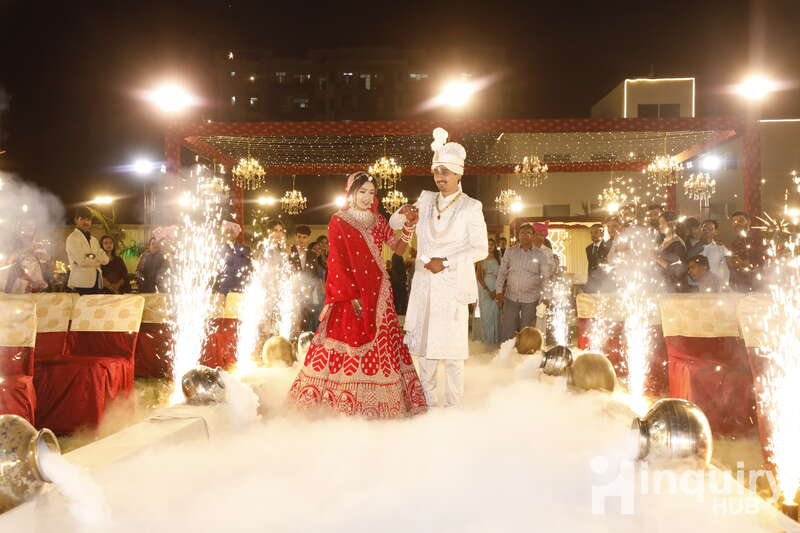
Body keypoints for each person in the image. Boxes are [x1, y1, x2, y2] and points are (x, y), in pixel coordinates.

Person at [289, 171, 426, 418]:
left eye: (371, 193)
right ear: (351, 193)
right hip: (349, 295)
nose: (367, 197)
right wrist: (351, 295)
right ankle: (344, 401)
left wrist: (409, 227)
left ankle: (383, 402)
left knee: (383, 345)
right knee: (349, 344)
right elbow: (337, 262)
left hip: (379, 293)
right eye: (362, 191)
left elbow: (399, 249)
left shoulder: (378, 220)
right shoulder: (338, 221)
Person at [390, 127, 488, 408]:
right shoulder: (425, 200)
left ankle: (453, 409)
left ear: (459, 174)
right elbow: (394, 224)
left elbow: (480, 248)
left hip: (452, 286)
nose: (440, 177)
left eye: (446, 172)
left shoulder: (471, 206)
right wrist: (403, 212)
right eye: (436, 172)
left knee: (453, 354)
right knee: (426, 351)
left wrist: (445, 262)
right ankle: (428, 407)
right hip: (424, 284)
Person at [495, 223, 554, 342]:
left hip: (531, 299)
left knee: (527, 331)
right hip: (511, 297)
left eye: (528, 233)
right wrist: (499, 291)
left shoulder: (540, 254)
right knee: (508, 329)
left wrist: (547, 297)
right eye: (522, 233)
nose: (525, 235)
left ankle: (524, 351)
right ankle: (507, 351)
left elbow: (546, 277)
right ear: (518, 236)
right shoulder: (510, 252)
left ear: (533, 236)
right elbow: (502, 272)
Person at [66, 207, 109, 294]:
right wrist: (98, 259)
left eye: (88, 219)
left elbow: (106, 260)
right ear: (76, 220)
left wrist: (91, 256)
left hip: (96, 282)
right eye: (82, 219)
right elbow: (82, 261)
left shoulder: (94, 240)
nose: (86, 222)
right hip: (81, 283)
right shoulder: (73, 238)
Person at [1, 220, 51, 293]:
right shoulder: (13, 243)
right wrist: (26, 249)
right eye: (26, 226)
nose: (30, 228)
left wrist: (44, 257)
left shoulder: (37, 244)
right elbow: (8, 260)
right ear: (20, 228)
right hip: (16, 281)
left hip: (34, 282)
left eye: (32, 226)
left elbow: (45, 261)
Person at [727, 211, 767, 292]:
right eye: (734, 221)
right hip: (739, 283)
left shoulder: (758, 239)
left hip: (755, 283)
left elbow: (765, 260)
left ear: (749, 222)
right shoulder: (735, 242)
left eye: (741, 221)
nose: (737, 223)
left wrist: (747, 263)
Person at [473, 237, 501, 345]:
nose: (490, 247)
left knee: (494, 312)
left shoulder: (498, 258)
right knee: (484, 313)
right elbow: (479, 276)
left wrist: (497, 290)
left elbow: (501, 275)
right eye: (488, 244)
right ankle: (485, 339)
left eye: (492, 245)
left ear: (495, 246)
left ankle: (493, 338)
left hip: (496, 286)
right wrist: (488, 290)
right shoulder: (481, 258)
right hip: (484, 287)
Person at [653, 211, 688, 292]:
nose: (660, 226)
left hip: (673, 287)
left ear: (672, 224)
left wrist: (656, 258)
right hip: (662, 284)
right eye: (659, 223)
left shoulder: (677, 244)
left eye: (663, 223)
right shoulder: (664, 241)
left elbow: (678, 270)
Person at [217, 220, 252, 294]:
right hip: (223, 292)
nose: (229, 234)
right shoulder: (218, 251)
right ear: (224, 233)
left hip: (241, 292)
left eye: (232, 231)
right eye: (227, 231)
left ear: (236, 233)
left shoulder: (245, 250)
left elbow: (251, 270)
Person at [697, 219, 730, 287]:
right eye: (704, 229)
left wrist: (724, 284)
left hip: (715, 285)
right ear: (700, 230)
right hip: (697, 285)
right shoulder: (694, 248)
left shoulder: (721, 248)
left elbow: (726, 269)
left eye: (710, 229)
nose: (707, 231)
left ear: (716, 232)